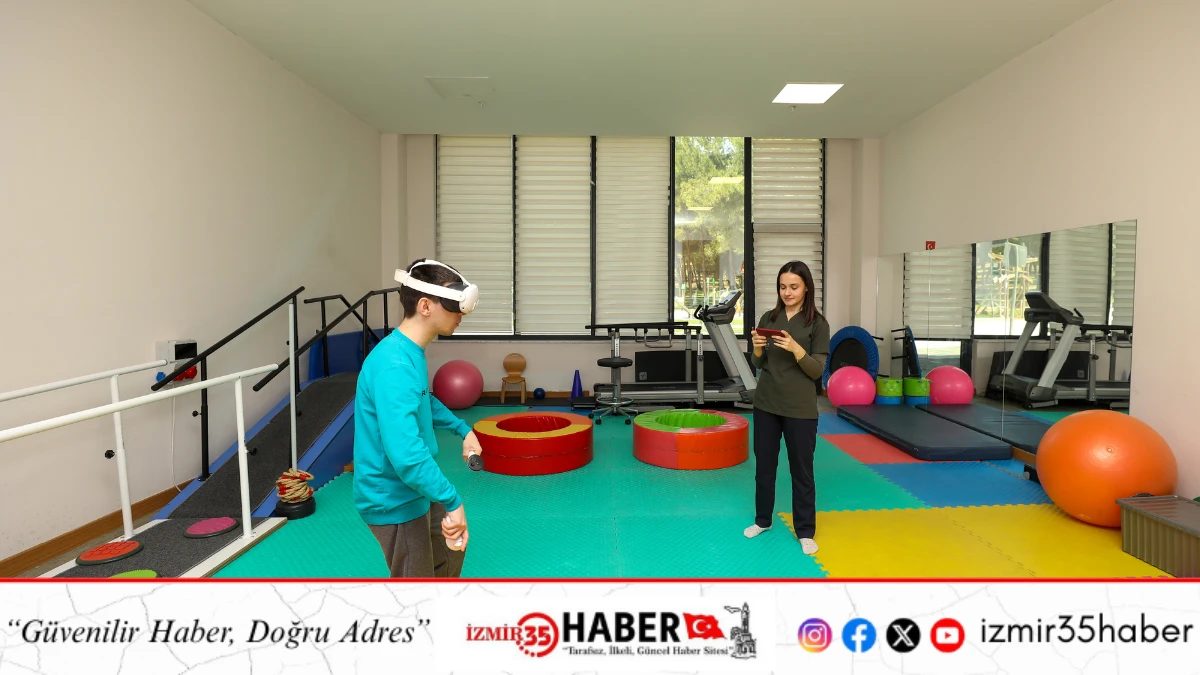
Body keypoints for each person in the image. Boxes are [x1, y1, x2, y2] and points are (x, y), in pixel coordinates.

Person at [352, 258, 483, 577]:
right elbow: (407, 456)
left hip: (417, 488)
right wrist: (453, 501)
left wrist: (462, 429)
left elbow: (423, 400)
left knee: (450, 555)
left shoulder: (409, 352)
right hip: (395, 499)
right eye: (454, 306)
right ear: (425, 306)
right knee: (417, 587)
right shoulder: (394, 366)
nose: (461, 315)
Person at [744, 260, 830, 555]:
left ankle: (805, 531)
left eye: (794, 286)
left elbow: (816, 370)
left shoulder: (818, 324)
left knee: (802, 472)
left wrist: (796, 348)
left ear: (806, 287)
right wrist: (757, 347)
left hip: (800, 409)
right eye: (783, 287)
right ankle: (763, 520)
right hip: (766, 403)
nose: (787, 292)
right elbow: (758, 363)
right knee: (764, 468)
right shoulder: (769, 317)